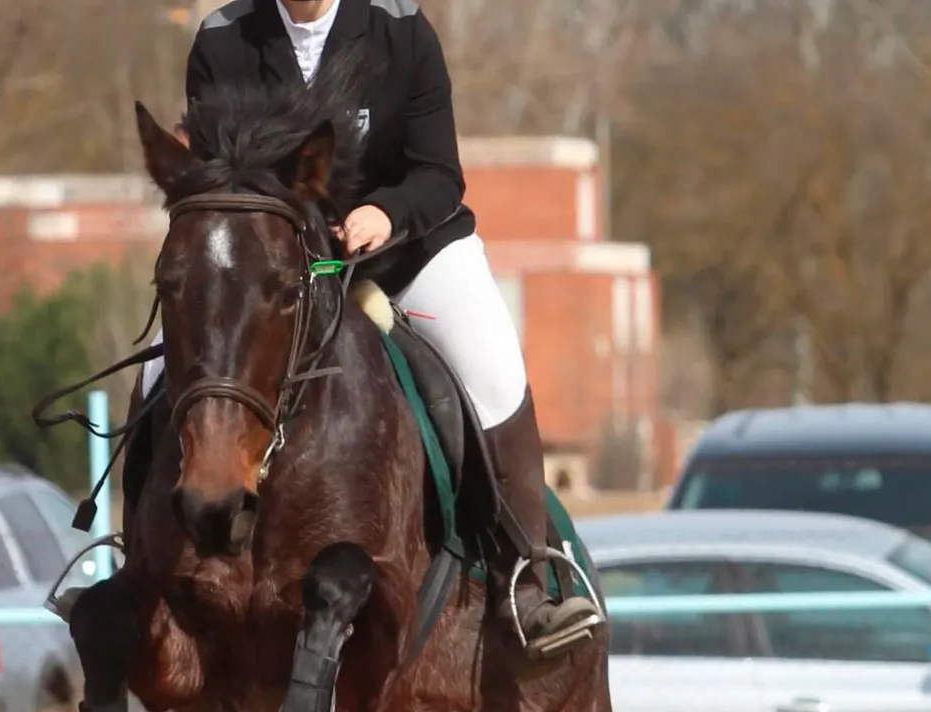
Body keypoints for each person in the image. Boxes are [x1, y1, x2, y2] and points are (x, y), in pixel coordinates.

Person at [136, 0, 602, 661]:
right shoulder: (223, 40)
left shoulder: (401, 31)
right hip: (281, 270)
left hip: (409, 252)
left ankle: (528, 576)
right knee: (158, 372)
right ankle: (137, 559)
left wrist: (384, 212)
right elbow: (221, 182)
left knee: (492, 369)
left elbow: (440, 174)